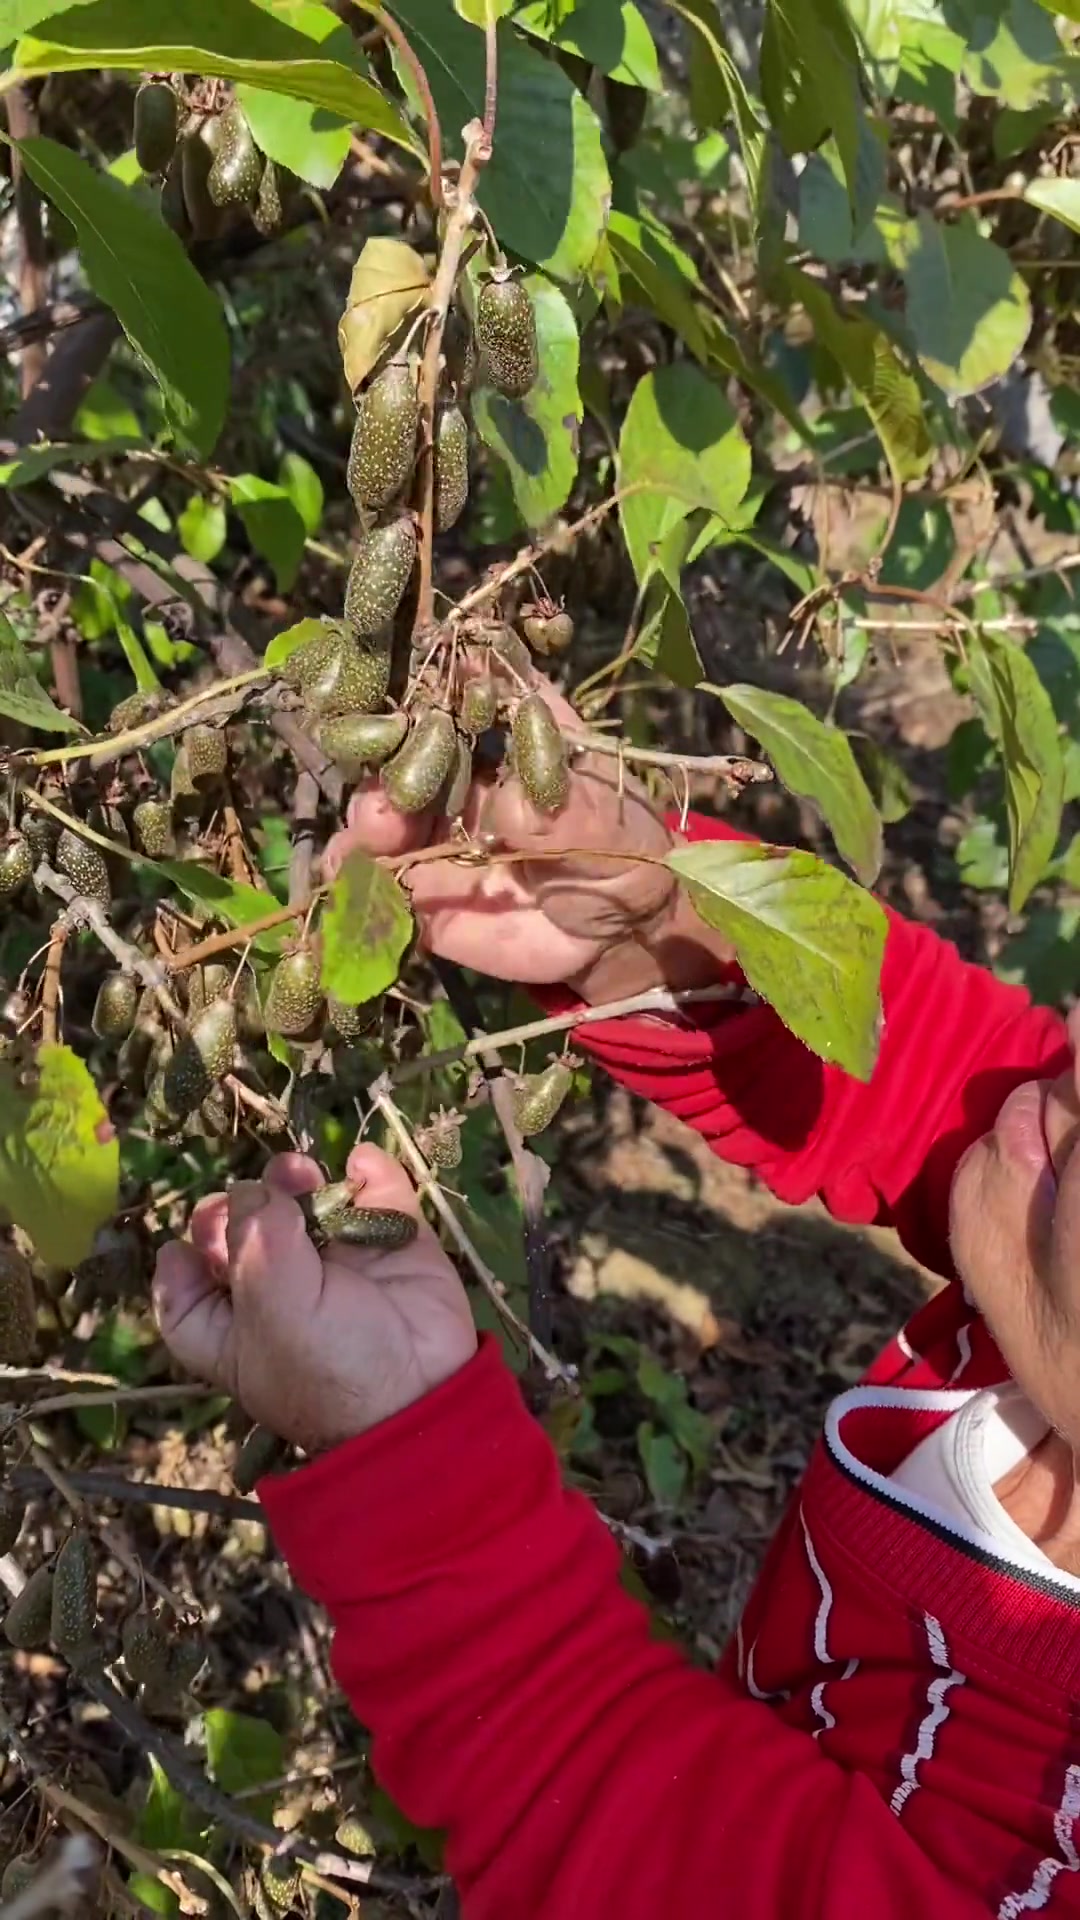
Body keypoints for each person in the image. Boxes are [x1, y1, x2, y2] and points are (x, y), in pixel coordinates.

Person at [154, 680, 1080, 1919]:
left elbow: (624, 1834)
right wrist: (654, 931)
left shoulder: (1028, 1863)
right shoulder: (1039, 1210)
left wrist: (412, 1475)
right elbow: (940, 1082)